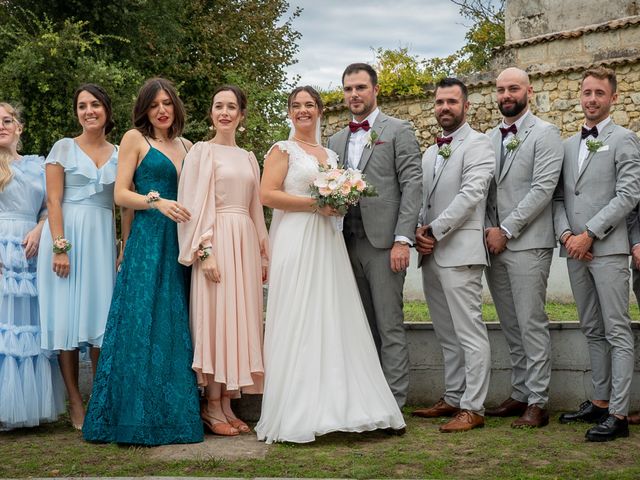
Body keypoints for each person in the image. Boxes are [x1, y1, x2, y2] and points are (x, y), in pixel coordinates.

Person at [256, 86, 405, 444]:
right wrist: (315, 205)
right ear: (289, 113)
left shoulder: (331, 154)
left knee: (333, 315)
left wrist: (338, 203)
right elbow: (267, 194)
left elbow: (336, 197)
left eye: (309, 105)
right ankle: (296, 411)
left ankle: (345, 406)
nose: (303, 111)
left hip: (327, 241)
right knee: (299, 314)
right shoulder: (282, 149)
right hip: (295, 237)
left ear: (320, 110)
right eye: (296, 106)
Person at [83, 78, 203, 445]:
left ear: (176, 106)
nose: (161, 110)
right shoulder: (136, 139)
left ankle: (173, 416)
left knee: (174, 324)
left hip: (181, 243)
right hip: (149, 241)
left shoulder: (190, 146)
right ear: (144, 110)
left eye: (166, 103)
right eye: (154, 105)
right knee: (141, 324)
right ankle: (133, 418)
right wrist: (156, 201)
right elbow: (120, 194)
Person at [326, 63, 422, 408]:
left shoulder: (398, 130)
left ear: (375, 90)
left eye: (360, 88)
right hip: (344, 243)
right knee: (360, 326)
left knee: (389, 325)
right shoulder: (334, 140)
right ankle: (367, 399)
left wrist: (402, 239)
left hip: (384, 244)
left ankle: (393, 403)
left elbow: (412, 185)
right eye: (348, 88)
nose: (354, 94)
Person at [554, 66, 639, 442]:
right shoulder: (568, 145)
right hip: (574, 250)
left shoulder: (626, 140)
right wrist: (568, 235)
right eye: (587, 92)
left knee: (617, 330)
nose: (591, 99)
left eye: (599, 93)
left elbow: (629, 195)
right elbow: (558, 197)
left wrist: (590, 234)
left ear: (613, 98)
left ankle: (619, 414)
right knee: (591, 328)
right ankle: (600, 401)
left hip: (607, 250)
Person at [177, 85, 269, 436]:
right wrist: (205, 250)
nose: (225, 112)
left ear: (241, 115)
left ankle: (228, 403)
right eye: (219, 106)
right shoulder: (202, 152)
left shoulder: (248, 157)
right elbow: (193, 205)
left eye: (232, 107)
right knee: (216, 321)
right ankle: (210, 406)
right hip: (215, 241)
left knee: (240, 319)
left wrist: (263, 252)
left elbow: (255, 208)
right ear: (211, 112)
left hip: (243, 242)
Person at [412, 78, 494, 433]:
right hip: (430, 254)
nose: (444, 107)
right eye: (439, 102)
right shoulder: (430, 152)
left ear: (466, 106)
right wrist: (418, 230)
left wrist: (433, 230)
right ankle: (453, 395)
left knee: (470, 332)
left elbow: (471, 194)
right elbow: (421, 198)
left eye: (452, 101)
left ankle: (474, 408)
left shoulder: (479, 144)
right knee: (446, 333)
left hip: (460, 252)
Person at [483, 67, 563, 428]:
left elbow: (542, 191)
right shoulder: (488, 137)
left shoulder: (546, 134)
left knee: (531, 322)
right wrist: (488, 229)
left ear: (528, 90)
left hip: (528, 243)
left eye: (512, 88)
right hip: (493, 244)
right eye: (500, 89)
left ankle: (538, 401)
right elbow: (484, 189)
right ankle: (519, 392)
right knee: (510, 323)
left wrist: (506, 229)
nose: (505, 95)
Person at [37, 84, 119, 429]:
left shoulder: (119, 151)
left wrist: (123, 246)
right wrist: (60, 246)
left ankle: (100, 397)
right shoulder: (63, 148)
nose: (89, 111)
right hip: (66, 236)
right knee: (67, 319)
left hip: (101, 237)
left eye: (95, 105)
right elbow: (53, 201)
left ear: (106, 110)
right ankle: (74, 400)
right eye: (82, 106)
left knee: (100, 318)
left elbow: (122, 203)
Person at [0, 102, 65, 430]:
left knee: (27, 324)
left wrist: (41, 230)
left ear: (19, 127)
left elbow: (49, 206)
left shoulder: (38, 165)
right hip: (1, 249)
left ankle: (24, 407)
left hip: (31, 248)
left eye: (7, 120)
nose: (2, 126)